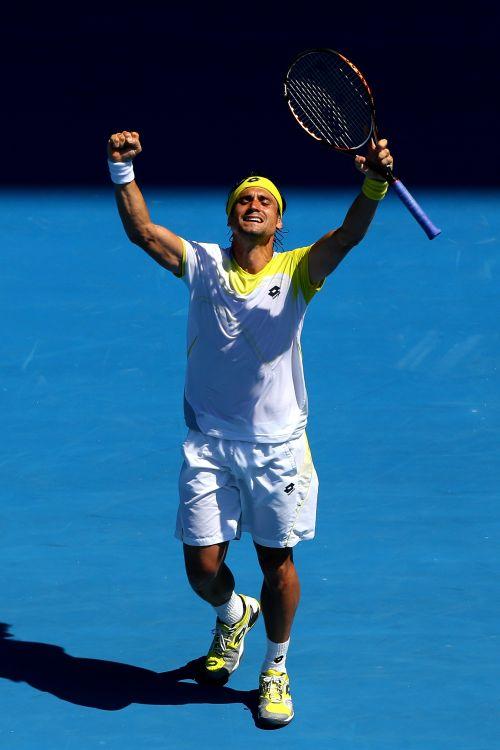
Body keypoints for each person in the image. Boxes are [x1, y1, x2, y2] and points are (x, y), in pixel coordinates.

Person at [107, 131, 393, 727]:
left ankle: (275, 667)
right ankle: (234, 613)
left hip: (277, 450)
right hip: (209, 442)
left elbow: (348, 235)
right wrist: (121, 168)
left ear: (278, 220)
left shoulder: (297, 272)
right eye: (244, 200)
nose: (253, 204)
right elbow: (143, 232)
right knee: (202, 568)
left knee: (277, 563)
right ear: (233, 218)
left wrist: (372, 184)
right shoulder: (204, 264)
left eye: (264, 199)